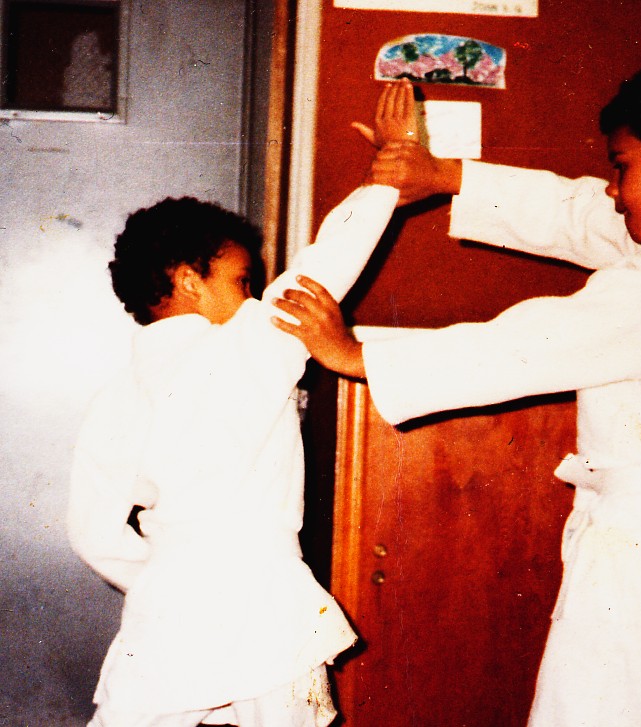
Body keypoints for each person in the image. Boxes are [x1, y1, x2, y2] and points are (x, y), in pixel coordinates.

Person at [271, 61, 641, 726]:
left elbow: (525, 345)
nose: (609, 189)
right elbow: (578, 214)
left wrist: (355, 355)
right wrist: (441, 176)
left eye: (621, 166)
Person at [67, 82, 415, 727]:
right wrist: (385, 179)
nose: (254, 297)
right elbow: (326, 264)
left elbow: (91, 531)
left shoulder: (116, 395)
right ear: (189, 282)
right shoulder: (249, 344)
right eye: (243, 282)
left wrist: (170, 573)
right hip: (262, 598)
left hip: (166, 604)